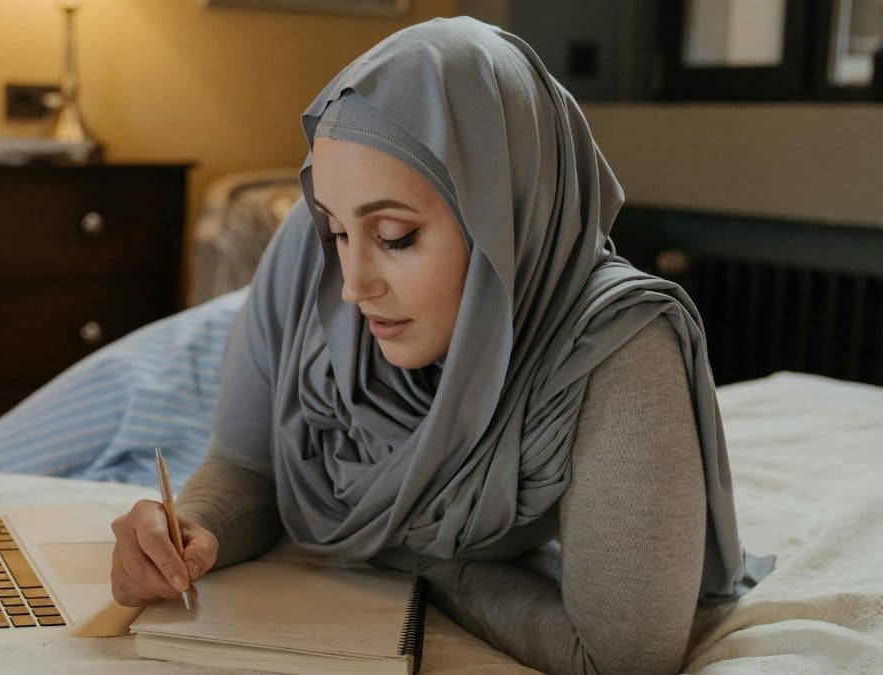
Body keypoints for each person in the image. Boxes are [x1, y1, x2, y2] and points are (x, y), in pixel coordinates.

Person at [109, 17, 770, 675]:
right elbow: (249, 465)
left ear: (507, 218)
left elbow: (621, 657)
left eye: (395, 235)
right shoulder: (310, 265)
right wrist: (188, 530)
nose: (352, 287)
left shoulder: (619, 349)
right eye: (337, 230)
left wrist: (419, 560)